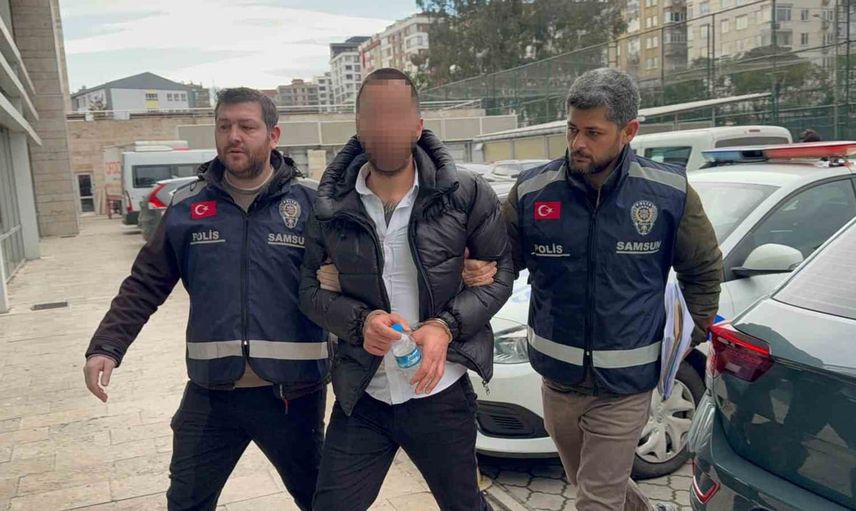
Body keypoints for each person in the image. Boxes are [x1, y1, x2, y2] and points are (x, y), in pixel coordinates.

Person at [83, 88, 328, 511]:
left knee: (322, 502)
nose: (234, 136)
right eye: (224, 126)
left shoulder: (312, 204)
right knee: (186, 503)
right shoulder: (187, 206)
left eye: (247, 126)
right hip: (212, 392)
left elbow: (356, 280)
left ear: (273, 135)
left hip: (294, 396)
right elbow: (145, 283)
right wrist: (107, 345)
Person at [502, 68, 723, 511]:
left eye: (593, 132)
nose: (577, 143)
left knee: (596, 500)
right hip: (558, 382)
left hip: (626, 386)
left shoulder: (668, 192)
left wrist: (686, 337)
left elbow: (703, 270)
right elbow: (501, 262)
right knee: (593, 482)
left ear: (629, 131)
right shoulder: (532, 190)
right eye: (572, 129)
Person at [299, 68, 513, 511]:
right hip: (365, 394)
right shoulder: (330, 206)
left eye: (396, 115)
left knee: (464, 506)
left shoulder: (465, 193)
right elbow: (308, 292)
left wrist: (445, 327)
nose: (385, 127)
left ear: (417, 125)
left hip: (440, 393)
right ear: (358, 125)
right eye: (373, 116)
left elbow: (500, 276)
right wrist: (361, 322)